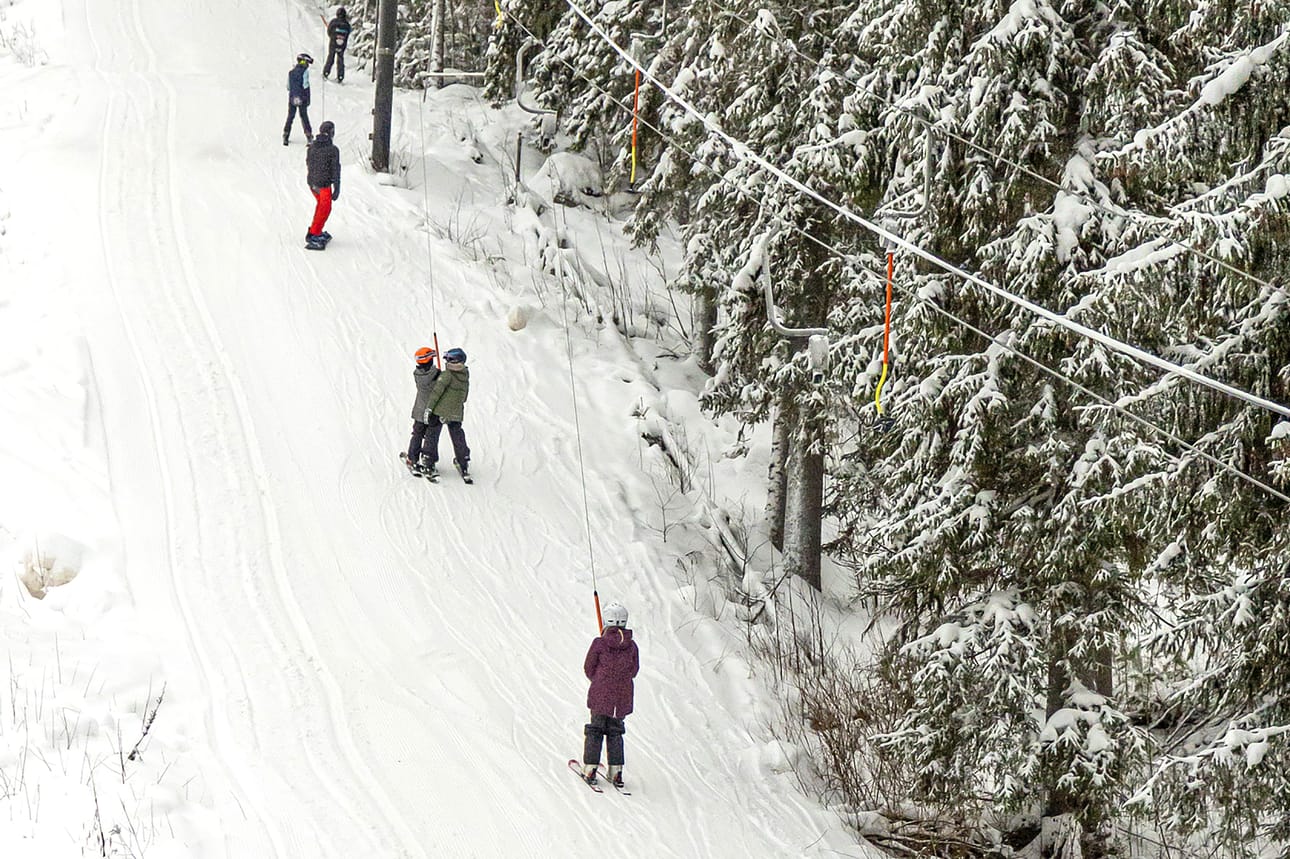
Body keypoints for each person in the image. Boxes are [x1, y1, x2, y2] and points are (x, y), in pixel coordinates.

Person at [581, 602, 639, 787]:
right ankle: (616, 771)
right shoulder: (632, 646)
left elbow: (589, 667)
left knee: (595, 730)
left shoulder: (599, 643)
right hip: (621, 699)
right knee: (615, 732)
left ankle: (590, 768)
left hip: (601, 696)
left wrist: (599, 681)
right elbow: (634, 671)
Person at [419, 347, 471, 477]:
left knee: (432, 434)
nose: (446, 361)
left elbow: (436, 393)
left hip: (440, 411)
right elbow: (464, 397)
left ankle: (428, 460)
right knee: (457, 436)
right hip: (456, 412)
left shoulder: (446, 375)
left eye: (448, 359)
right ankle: (463, 461)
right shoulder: (465, 375)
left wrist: (429, 409)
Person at [305, 120, 341, 249]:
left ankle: (315, 230)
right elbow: (336, 170)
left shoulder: (312, 147)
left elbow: (308, 162)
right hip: (324, 185)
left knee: (321, 206)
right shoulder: (333, 150)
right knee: (325, 209)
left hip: (312, 183)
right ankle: (314, 234)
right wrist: (337, 188)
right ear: (331, 133)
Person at [406, 347, 441, 472]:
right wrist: (441, 376)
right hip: (433, 411)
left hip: (419, 411)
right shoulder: (436, 374)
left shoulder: (417, 374)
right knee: (432, 436)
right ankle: (428, 461)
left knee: (417, 434)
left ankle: (412, 457)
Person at [284, 53, 314, 146]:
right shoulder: (305, 72)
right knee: (304, 116)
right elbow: (305, 85)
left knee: (290, 116)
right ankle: (309, 136)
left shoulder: (291, 72)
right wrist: (308, 98)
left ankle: (286, 135)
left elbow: (288, 87)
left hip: (292, 97)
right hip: (302, 98)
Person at [323, 7, 352, 83]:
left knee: (330, 58)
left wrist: (333, 37)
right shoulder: (347, 24)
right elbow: (349, 32)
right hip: (342, 45)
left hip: (333, 43)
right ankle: (340, 76)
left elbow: (329, 31)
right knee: (340, 59)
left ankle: (326, 73)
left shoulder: (333, 22)